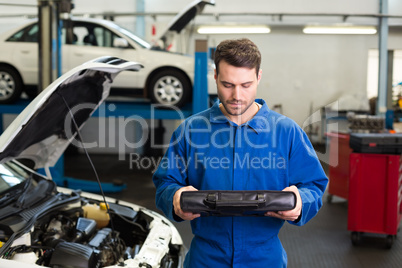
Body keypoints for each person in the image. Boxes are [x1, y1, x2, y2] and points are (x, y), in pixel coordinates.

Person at [153, 38, 328, 267]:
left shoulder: (287, 132)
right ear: (215, 77)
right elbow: (166, 182)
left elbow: (314, 185)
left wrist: (300, 202)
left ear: (259, 77)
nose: (237, 95)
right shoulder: (191, 130)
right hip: (206, 258)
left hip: (264, 257)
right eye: (227, 84)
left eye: (246, 85)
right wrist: (174, 198)